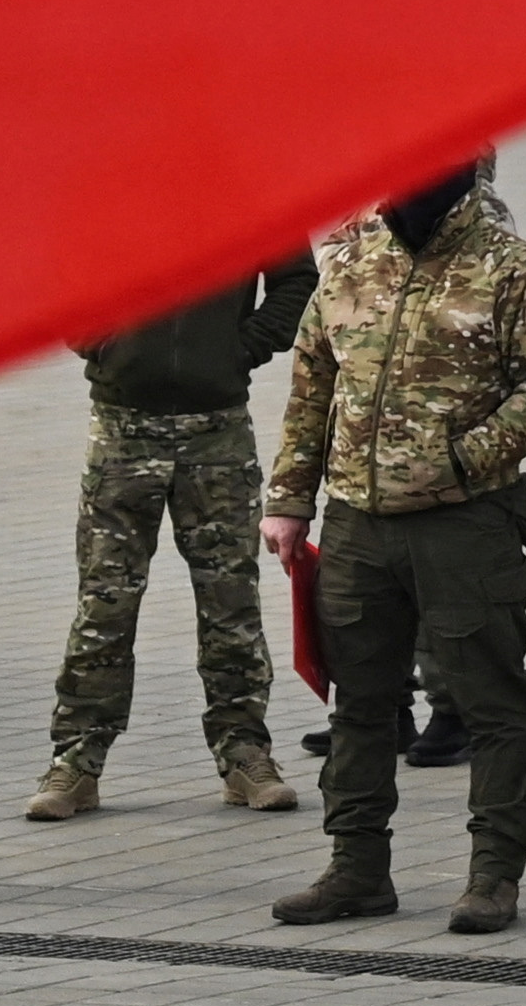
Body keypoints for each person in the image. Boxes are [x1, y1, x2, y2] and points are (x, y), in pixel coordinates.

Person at [265, 167, 526, 935]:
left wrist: (469, 455)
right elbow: (313, 384)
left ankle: (493, 874)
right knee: (361, 706)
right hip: (356, 523)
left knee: (491, 700)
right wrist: (288, 499)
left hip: (465, 522)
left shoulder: (512, 267)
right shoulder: (350, 262)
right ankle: (356, 868)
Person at [36, 247, 320, 822]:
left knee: (230, 600)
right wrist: (102, 341)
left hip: (217, 428)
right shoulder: (97, 177)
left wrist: (240, 350)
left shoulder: (250, 182)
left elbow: (297, 281)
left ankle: (245, 753)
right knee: (105, 604)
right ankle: (76, 761)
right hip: (122, 427)